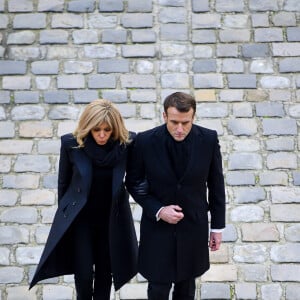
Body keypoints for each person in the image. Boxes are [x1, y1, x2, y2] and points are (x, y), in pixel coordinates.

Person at [30, 99, 138, 300]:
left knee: (106, 274)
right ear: (88, 127)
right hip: (81, 221)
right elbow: (64, 184)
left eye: (107, 130)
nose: (102, 135)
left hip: (110, 220)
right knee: (84, 275)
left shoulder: (126, 144)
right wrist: (65, 219)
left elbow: (135, 180)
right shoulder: (71, 144)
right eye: (97, 130)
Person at [126, 92, 226, 300]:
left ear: (193, 117)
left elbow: (216, 184)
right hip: (158, 230)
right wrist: (159, 210)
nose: (180, 129)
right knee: (158, 288)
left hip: (193, 227)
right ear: (164, 116)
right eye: (174, 122)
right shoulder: (144, 141)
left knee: (186, 288)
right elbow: (133, 183)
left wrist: (217, 227)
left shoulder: (208, 139)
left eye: (185, 123)